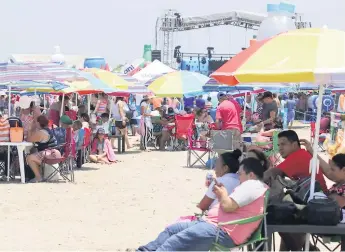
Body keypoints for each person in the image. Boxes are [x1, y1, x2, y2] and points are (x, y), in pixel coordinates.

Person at [137, 158, 268, 251]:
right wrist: (222, 194)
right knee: (172, 230)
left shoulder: (252, 185)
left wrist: (222, 194)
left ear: (251, 175)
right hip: (214, 226)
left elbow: (228, 206)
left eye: (240, 174)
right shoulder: (253, 187)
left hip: (221, 232)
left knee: (173, 243)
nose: (238, 177)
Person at [26, 115, 61, 182]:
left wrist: (30, 129)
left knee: (29, 158)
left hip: (49, 157)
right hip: (56, 154)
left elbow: (29, 139)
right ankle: (39, 175)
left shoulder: (41, 133)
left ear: (38, 123)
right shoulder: (48, 130)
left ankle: (38, 177)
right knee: (34, 153)